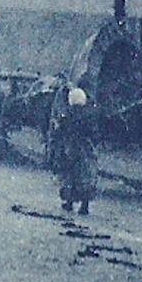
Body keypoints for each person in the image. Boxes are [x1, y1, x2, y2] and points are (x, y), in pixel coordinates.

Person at [54, 85, 97, 215]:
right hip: (87, 149)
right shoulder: (90, 115)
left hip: (71, 148)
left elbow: (60, 131)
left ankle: (69, 203)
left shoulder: (67, 114)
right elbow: (95, 133)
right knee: (86, 177)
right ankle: (85, 206)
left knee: (69, 176)